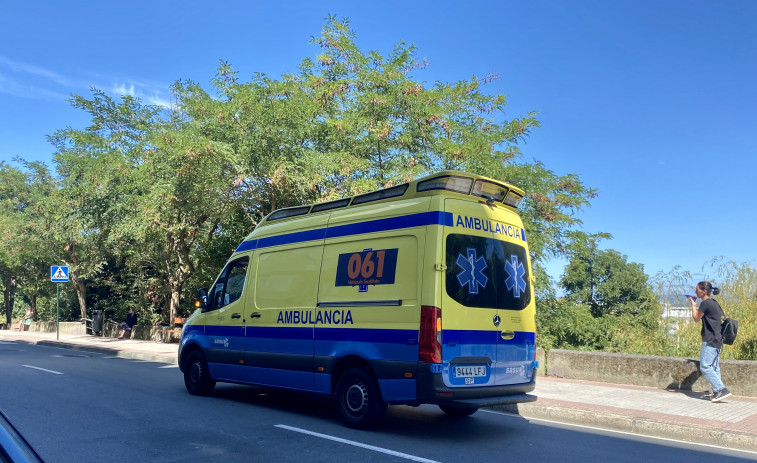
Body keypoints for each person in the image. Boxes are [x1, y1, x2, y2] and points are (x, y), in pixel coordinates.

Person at [689, 281, 731, 402]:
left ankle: (720, 389)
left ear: (704, 291)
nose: (695, 292)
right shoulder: (714, 303)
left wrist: (693, 305)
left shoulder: (705, 303)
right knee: (714, 366)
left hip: (710, 339)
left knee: (705, 366)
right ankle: (717, 392)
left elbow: (696, 318)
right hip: (717, 339)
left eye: (697, 290)